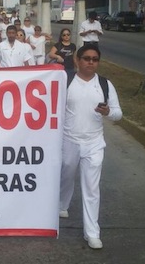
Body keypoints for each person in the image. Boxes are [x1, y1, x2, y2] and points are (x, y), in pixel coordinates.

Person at [59, 44, 122, 250]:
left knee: (91, 188)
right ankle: (62, 204)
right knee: (67, 172)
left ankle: (92, 232)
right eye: (86, 58)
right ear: (77, 60)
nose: (90, 62)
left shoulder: (105, 84)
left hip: (94, 144)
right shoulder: (66, 81)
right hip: (69, 140)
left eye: (95, 59)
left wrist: (107, 112)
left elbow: (118, 114)